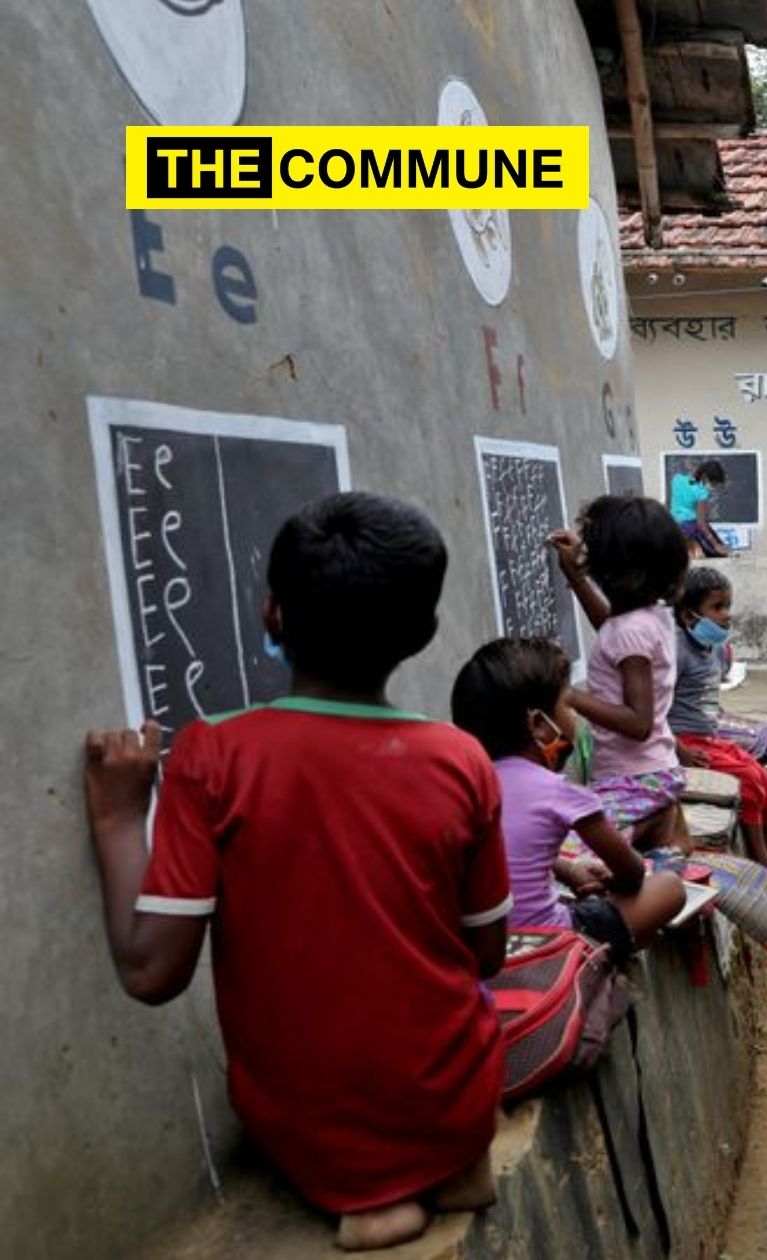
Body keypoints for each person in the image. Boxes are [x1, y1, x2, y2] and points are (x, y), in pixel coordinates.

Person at [81, 493, 506, 1251]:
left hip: (320, 1128)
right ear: (424, 633)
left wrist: (118, 819)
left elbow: (152, 972)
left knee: (353, 1155)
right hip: (458, 1094)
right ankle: (456, 1160)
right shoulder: (462, 759)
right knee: (455, 1060)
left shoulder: (216, 754)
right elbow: (486, 955)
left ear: (273, 615)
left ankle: (371, 1200)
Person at [452, 637, 687, 957]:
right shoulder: (561, 793)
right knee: (670, 888)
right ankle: (609, 951)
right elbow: (631, 874)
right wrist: (609, 881)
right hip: (548, 941)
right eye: (568, 706)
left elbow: (504, 850)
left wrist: (567, 871)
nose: (575, 717)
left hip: (478, 941)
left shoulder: (466, 786)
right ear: (539, 725)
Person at [550, 495, 690, 848]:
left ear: (628, 575)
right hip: (651, 771)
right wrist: (577, 580)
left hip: (634, 780)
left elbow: (638, 723)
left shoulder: (630, 629)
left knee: (577, 853)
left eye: (596, 562)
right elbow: (612, 635)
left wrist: (569, 696)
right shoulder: (648, 616)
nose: (590, 566)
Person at [668, 567, 767, 871]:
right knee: (749, 785)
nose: (727, 615)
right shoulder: (675, 652)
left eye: (728, 606)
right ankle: (764, 869)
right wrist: (678, 748)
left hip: (711, 739)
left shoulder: (717, 649)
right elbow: (653, 710)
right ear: (688, 615)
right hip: (685, 743)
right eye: (717, 607)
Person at [670, 458, 730, 558]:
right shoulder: (701, 493)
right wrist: (715, 545)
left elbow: (690, 483)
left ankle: (689, 545)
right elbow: (701, 523)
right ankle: (693, 545)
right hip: (690, 527)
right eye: (714, 484)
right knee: (720, 551)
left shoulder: (677, 479)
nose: (713, 487)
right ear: (705, 477)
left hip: (674, 525)